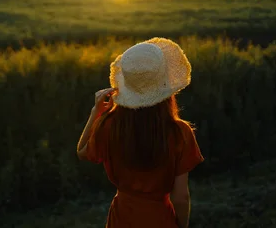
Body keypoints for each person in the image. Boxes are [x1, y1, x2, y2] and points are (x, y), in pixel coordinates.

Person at [77, 38, 204, 228]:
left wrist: (96, 113)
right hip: (160, 219)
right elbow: (181, 197)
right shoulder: (180, 133)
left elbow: (82, 151)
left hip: (122, 218)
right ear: (164, 83)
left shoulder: (111, 125)